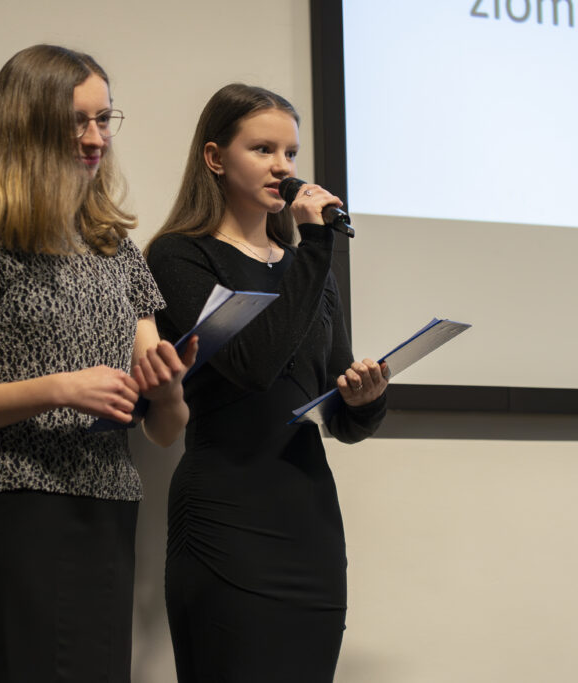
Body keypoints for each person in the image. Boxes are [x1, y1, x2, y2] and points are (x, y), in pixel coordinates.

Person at [0, 44, 196, 683]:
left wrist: (170, 389)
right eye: (76, 122)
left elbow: (164, 429)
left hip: (111, 514)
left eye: (104, 119)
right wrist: (62, 387)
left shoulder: (116, 248)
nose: (96, 138)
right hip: (22, 513)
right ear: (27, 124)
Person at [145, 84, 390, 682]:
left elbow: (337, 412)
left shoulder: (308, 267)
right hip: (225, 518)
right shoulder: (180, 257)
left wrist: (364, 399)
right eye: (263, 150)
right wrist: (316, 243)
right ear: (215, 157)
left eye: (291, 153)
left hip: (308, 523)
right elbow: (253, 365)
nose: (284, 168)